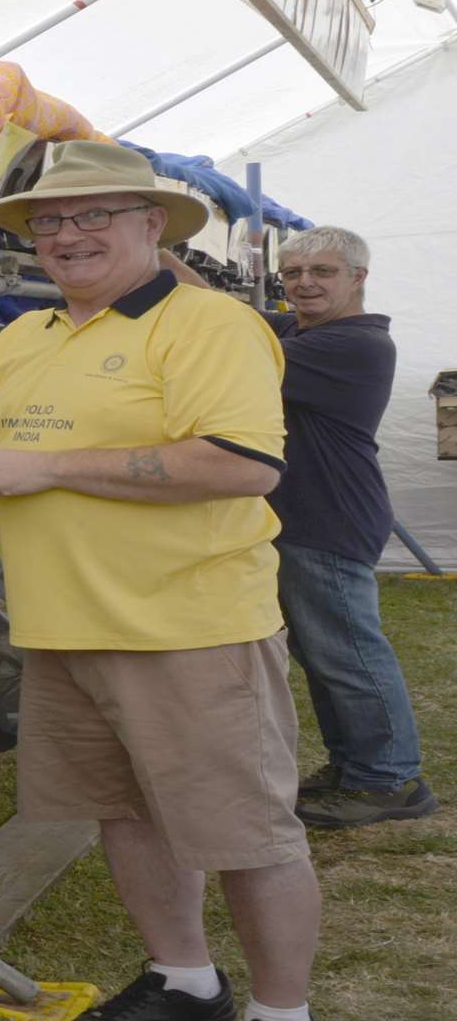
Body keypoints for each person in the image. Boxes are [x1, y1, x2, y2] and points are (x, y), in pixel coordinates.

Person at [0, 141, 318, 1021]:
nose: (67, 235)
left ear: (152, 224)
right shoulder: (23, 338)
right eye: (49, 222)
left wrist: (53, 468)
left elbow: (240, 465)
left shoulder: (210, 325)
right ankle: (184, 980)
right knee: (121, 810)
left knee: (247, 836)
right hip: (59, 626)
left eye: (92, 216)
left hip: (189, 630)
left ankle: (281, 1010)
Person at [163, 228, 434, 828]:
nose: (305, 283)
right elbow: (215, 306)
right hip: (305, 514)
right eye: (293, 273)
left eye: (323, 272)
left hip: (328, 516)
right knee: (322, 652)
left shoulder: (357, 344)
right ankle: (355, 767)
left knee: (349, 653)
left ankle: (391, 778)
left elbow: (232, 346)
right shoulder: (296, 330)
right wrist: (156, 247)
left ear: (358, 278)